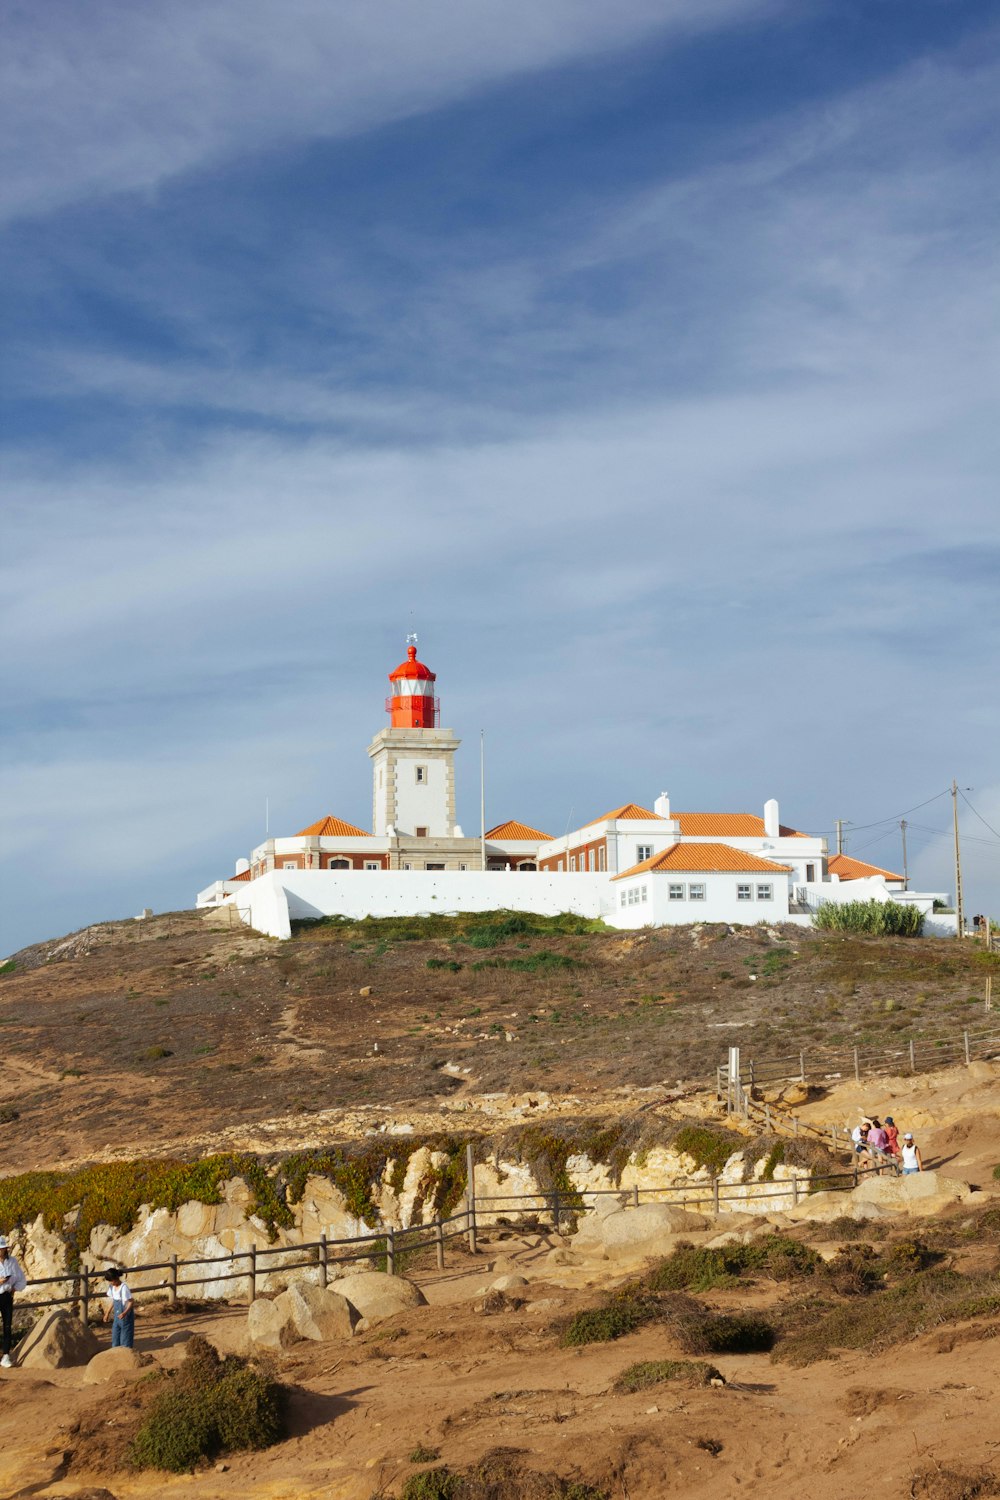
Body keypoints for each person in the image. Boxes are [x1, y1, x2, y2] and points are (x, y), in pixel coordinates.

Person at [0, 1236, 27, 1369]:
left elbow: (21, 1278)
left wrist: (15, 1288)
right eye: (1, 1248)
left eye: (3, 1248)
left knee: (7, 1327)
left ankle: (6, 1355)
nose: (2, 1250)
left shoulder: (13, 1262)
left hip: (6, 1296)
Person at [103, 1269, 134, 1348]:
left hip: (126, 1317)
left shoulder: (124, 1288)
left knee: (125, 1340)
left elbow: (131, 1302)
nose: (110, 1283)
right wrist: (107, 1313)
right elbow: (114, 1300)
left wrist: (125, 1313)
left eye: (111, 1281)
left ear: (116, 1278)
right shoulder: (112, 1287)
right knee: (115, 1338)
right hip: (117, 1317)